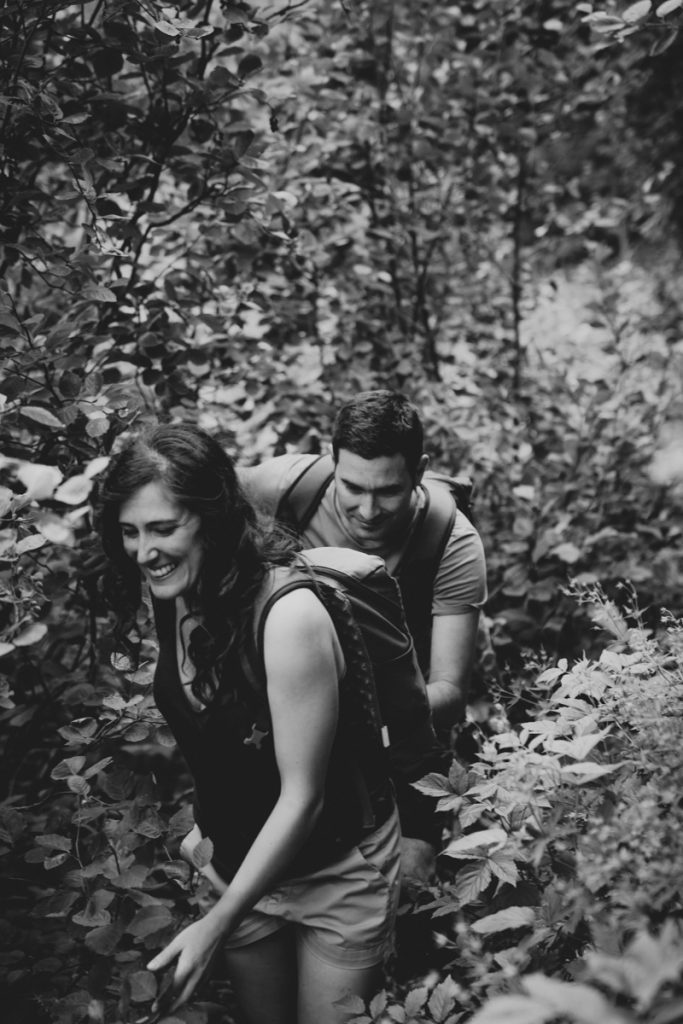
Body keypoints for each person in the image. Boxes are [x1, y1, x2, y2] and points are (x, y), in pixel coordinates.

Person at [99, 423, 401, 1024]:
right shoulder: (172, 591)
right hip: (236, 871)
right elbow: (216, 738)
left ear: (212, 518)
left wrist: (215, 923)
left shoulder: (289, 617)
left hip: (334, 872)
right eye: (130, 532)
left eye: (163, 528)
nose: (143, 551)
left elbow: (303, 798)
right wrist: (204, 828)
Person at [239, 391, 488, 882]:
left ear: (420, 470)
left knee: (411, 872)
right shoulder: (282, 488)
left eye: (388, 491)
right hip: (274, 721)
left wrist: (348, 713)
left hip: (398, 733)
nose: (369, 511)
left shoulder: (451, 543)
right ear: (331, 461)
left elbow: (451, 694)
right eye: (352, 487)